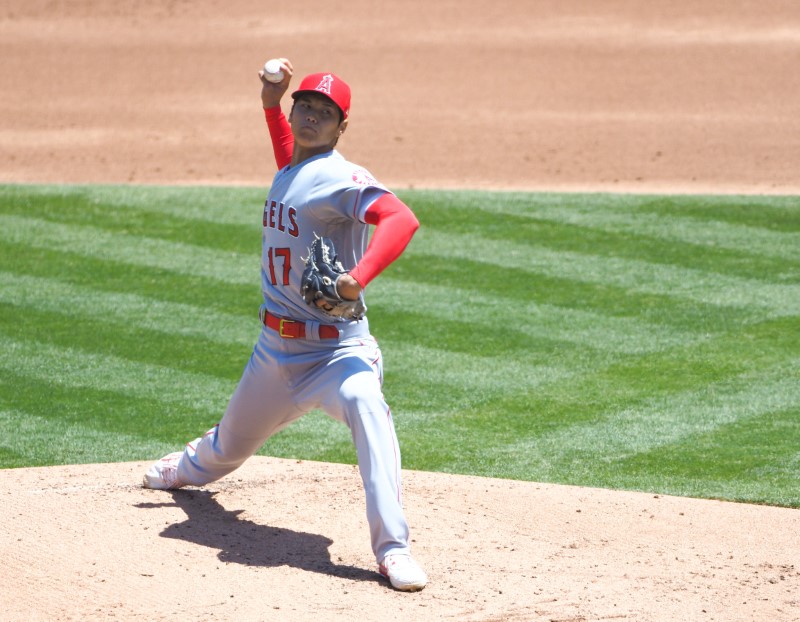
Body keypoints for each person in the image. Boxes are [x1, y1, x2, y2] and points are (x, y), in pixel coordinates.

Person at [142, 57, 428, 592]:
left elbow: (401, 218)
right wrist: (272, 103)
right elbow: (291, 160)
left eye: (325, 112)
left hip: (338, 353)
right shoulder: (293, 167)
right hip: (275, 353)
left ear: (342, 127)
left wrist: (355, 279)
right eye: (306, 107)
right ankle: (183, 468)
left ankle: (393, 550)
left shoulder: (342, 177)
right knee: (227, 449)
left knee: (368, 408)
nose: (311, 117)